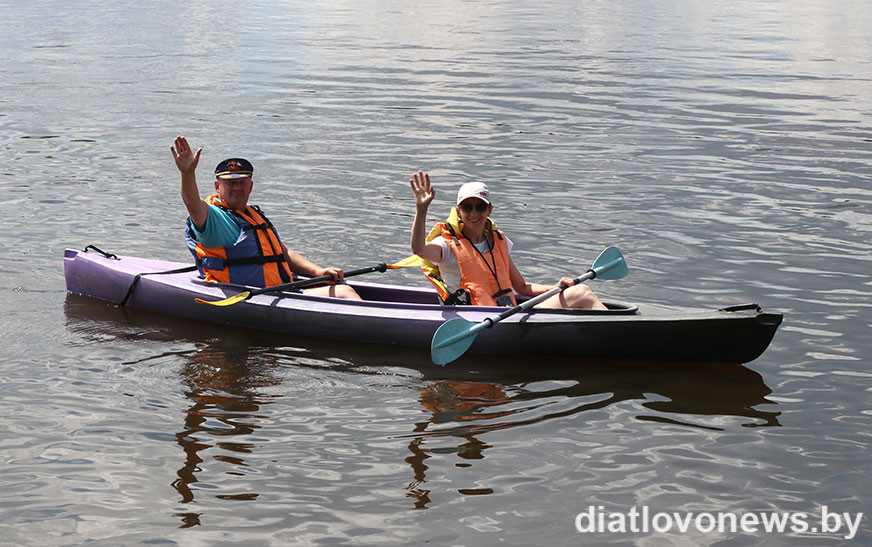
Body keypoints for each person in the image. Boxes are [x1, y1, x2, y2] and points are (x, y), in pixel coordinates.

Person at [171, 135, 361, 299]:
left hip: (281, 292)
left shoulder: (252, 215)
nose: (237, 188)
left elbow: (283, 253)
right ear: (217, 187)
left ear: (251, 186)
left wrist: (317, 271)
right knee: (345, 293)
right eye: (230, 183)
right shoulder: (214, 218)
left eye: (242, 182)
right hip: (247, 296)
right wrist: (187, 173)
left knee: (344, 290)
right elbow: (192, 204)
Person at [409, 170, 606, 309]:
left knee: (581, 292)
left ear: (489, 210)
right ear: (459, 211)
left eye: (480, 207)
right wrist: (421, 209)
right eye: (467, 207)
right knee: (582, 294)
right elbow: (419, 249)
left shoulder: (497, 241)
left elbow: (522, 287)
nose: (474, 213)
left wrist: (555, 288)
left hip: (508, 314)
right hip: (475, 319)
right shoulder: (447, 246)